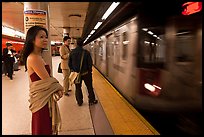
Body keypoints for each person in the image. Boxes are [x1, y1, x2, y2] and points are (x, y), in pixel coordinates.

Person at [21, 26, 64, 135]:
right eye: (41, 37)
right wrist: (59, 87)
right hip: (42, 102)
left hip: (43, 99)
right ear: (32, 39)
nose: (45, 39)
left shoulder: (38, 56)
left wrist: (56, 86)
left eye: (46, 37)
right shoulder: (34, 58)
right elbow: (48, 81)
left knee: (44, 127)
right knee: (43, 128)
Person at [68, 38, 98, 106]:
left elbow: (69, 64)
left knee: (78, 88)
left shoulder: (72, 52)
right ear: (83, 44)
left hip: (76, 74)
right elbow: (90, 63)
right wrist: (89, 71)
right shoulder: (86, 52)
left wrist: (73, 70)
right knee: (89, 87)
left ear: (76, 44)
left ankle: (79, 101)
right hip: (86, 73)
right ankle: (91, 100)